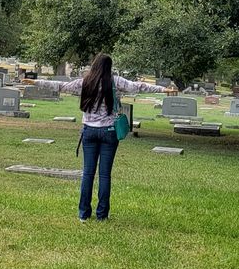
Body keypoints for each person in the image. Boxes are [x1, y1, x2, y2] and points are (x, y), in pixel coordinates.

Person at [59, 55, 163, 222]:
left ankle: (83, 214)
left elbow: (61, 86)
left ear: (94, 65)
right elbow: (138, 86)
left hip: (89, 131)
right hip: (109, 131)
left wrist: (35, 82)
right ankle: (102, 215)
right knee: (105, 175)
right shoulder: (116, 82)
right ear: (109, 66)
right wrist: (163, 89)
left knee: (88, 173)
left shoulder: (86, 82)